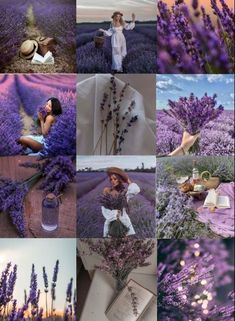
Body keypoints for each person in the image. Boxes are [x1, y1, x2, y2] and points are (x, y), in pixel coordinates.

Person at [101, 167, 140, 237]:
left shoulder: (124, 192)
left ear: (119, 180)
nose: (112, 181)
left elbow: (136, 190)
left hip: (124, 221)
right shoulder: (107, 190)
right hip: (111, 221)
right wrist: (115, 213)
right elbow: (104, 208)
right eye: (111, 179)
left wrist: (127, 179)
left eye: (115, 179)